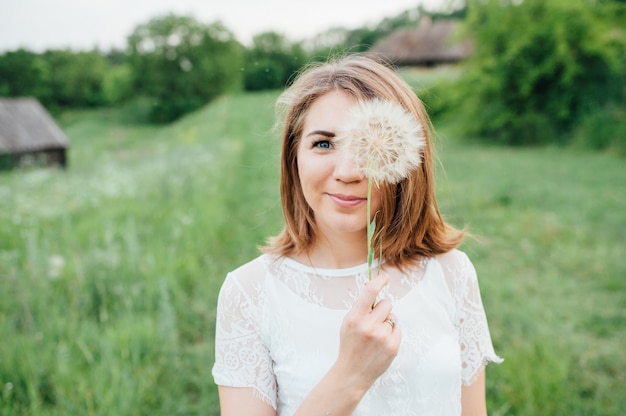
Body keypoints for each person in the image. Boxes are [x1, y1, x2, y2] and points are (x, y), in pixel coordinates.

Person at [212, 54, 502, 416]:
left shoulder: (451, 272)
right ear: (293, 157)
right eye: (323, 143)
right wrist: (350, 375)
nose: (348, 171)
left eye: (369, 144)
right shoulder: (249, 293)